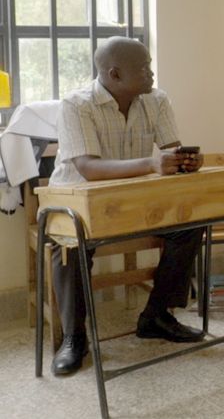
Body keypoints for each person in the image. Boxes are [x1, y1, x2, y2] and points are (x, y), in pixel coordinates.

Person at [49, 37, 206, 376]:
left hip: (132, 203)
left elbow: (171, 151)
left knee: (190, 225)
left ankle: (156, 316)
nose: (151, 73)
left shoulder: (156, 100)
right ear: (114, 74)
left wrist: (186, 161)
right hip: (77, 204)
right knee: (69, 246)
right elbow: (89, 168)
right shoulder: (76, 105)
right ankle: (74, 337)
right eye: (144, 67)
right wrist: (153, 164)